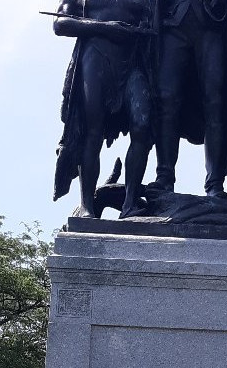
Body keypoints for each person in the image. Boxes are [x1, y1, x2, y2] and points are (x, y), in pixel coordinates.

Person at [52, 0, 154, 217]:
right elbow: (60, 24)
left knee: (143, 125)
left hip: (133, 61)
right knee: (92, 131)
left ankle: (130, 204)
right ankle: (87, 205)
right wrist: (106, 28)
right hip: (95, 56)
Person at [149, 0, 227, 198]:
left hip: (211, 25)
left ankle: (215, 183)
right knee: (167, 99)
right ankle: (165, 177)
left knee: (215, 102)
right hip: (174, 25)